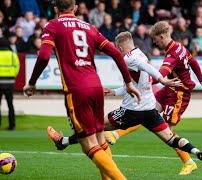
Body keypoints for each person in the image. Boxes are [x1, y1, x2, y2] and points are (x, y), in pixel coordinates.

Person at [46, 31, 202, 174]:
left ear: (121, 46)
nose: (117, 51)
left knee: (94, 127)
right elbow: (133, 85)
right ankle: (200, 154)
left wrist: (162, 79)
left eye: (117, 48)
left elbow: (145, 68)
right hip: (149, 110)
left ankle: (64, 142)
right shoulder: (141, 54)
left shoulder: (130, 59)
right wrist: (114, 92)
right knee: (171, 138)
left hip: (131, 111)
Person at [23, 0, 141, 179]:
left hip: (76, 89)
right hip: (96, 87)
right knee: (100, 140)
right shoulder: (89, 27)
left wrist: (32, 82)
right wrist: (129, 83)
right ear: (75, 8)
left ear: (56, 9)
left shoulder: (52, 26)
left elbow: (44, 56)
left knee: (89, 145)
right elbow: (117, 53)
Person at [105, 21, 202, 175]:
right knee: (147, 110)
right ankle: (116, 134)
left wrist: (145, 80)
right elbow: (193, 61)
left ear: (162, 36)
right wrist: (201, 79)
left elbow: (160, 75)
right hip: (169, 89)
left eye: (156, 39)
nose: (155, 42)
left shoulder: (172, 55)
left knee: (166, 130)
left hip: (179, 94)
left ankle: (189, 162)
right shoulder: (178, 46)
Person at [0, 40, 20, 131]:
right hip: (9, 82)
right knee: (10, 104)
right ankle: (12, 126)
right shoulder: (13, 54)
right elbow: (17, 67)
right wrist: (12, 75)